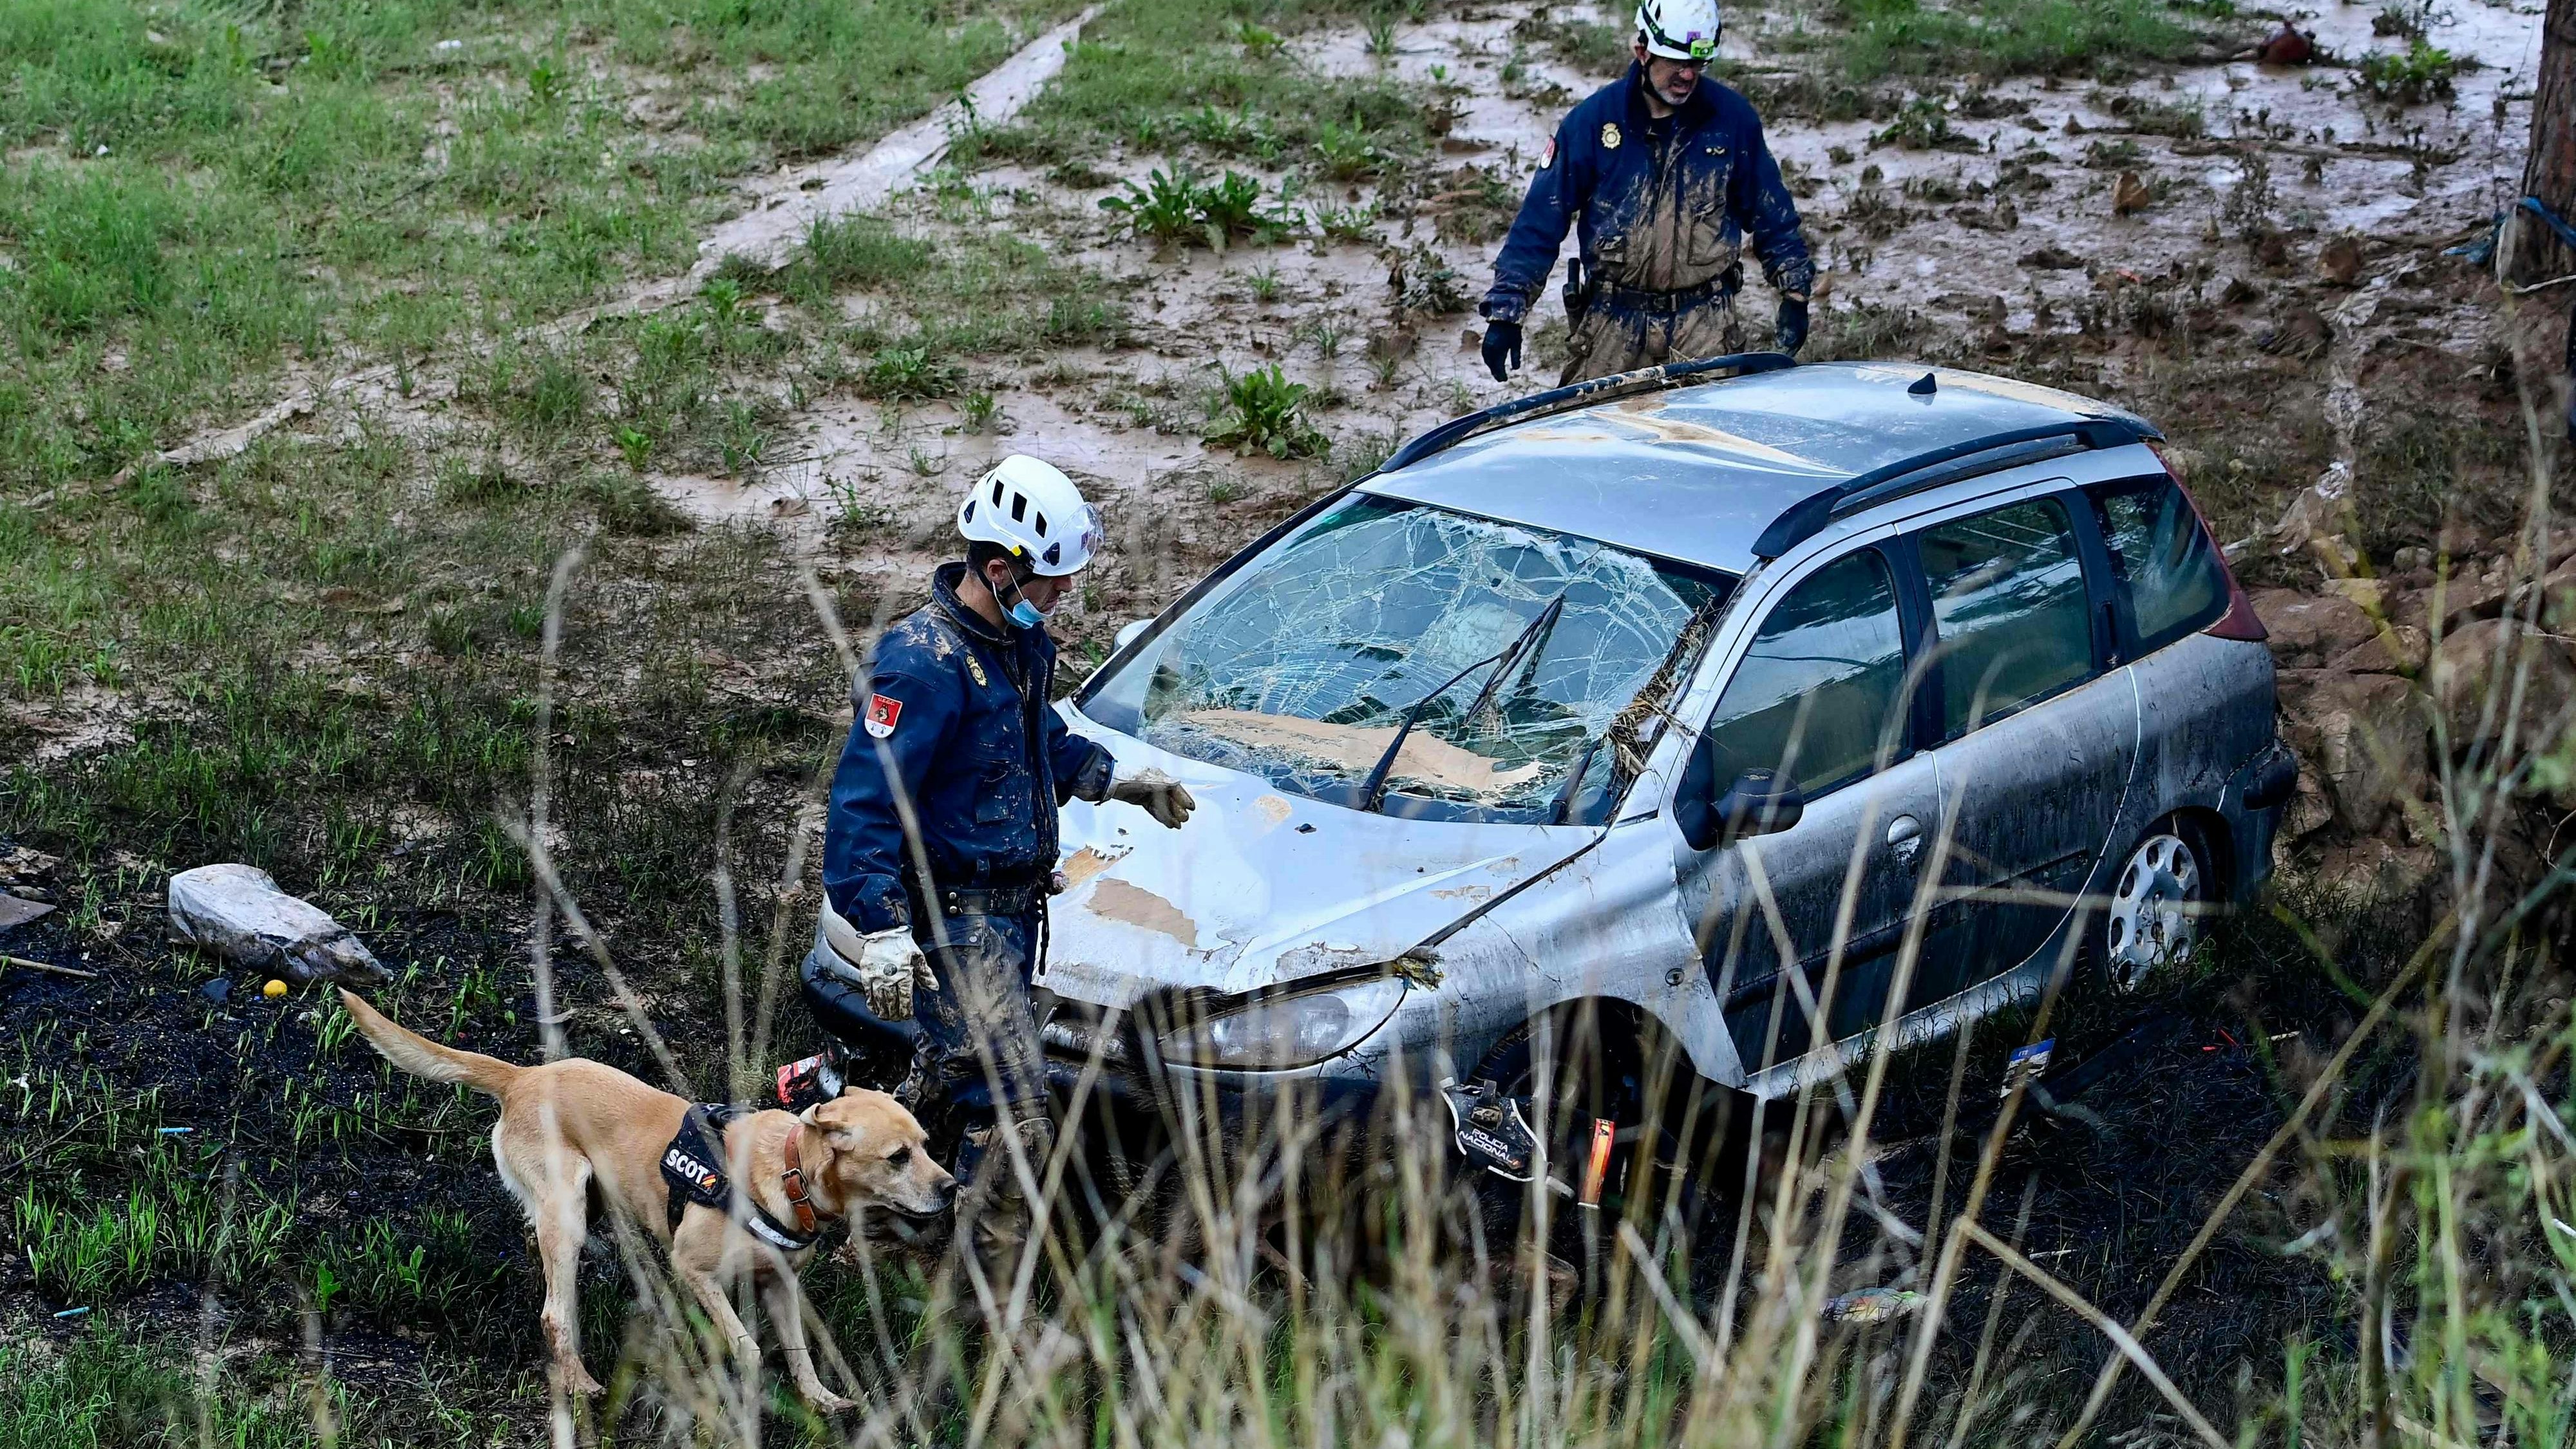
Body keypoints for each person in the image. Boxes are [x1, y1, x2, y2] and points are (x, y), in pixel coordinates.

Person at [798, 455, 1195, 1251]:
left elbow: (1029, 737)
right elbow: (865, 804)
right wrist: (878, 925)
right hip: (954, 917)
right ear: (996, 568)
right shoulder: (921, 665)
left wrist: (1112, 777)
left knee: (952, 1070)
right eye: (1052, 579)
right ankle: (976, 1287)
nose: (1065, 593)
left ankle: (868, 1228)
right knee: (1014, 1106)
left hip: (1013, 913)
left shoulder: (1016, 646)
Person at [1478, 0, 1816, 386]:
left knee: (1702, 441)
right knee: (1594, 439)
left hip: (1705, 324)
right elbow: (1539, 222)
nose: (1688, 75)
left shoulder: (1733, 122)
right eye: (1676, 62)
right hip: (1612, 324)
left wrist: (1794, 295)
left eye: (1697, 64)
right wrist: (1506, 313)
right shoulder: (1592, 123)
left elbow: (1772, 215)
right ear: (1642, 51)